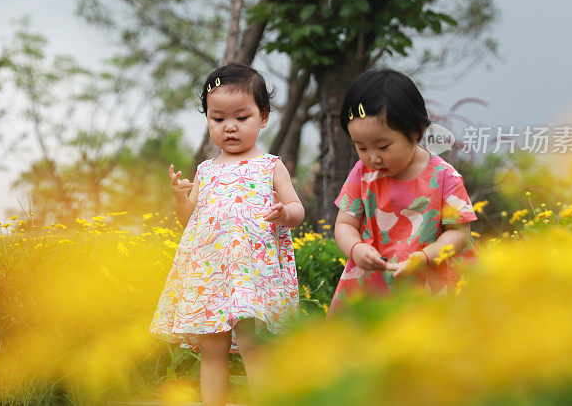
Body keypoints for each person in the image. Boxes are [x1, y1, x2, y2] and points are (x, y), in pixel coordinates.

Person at [150, 63, 303, 406]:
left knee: (251, 343)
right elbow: (189, 219)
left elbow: (297, 209)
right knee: (212, 347)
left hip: (249, 271)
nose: (229, 127)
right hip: (211, 274)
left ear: (263, 117)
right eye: (218, 118)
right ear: (208, 120)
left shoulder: (270, 165)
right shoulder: (205, 170)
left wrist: (284, 213)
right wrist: (179, 197)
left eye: (241, 117)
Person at [328, 69, 477, 313]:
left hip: (431, 281)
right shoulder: (362, 173)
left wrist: (425, 257)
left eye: (383, 146)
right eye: (361, 147)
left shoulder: (444, 177)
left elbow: (459, 233)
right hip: (375, 281)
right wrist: (356, 249)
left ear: (416, 131)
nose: (373, 158)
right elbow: (344, 225)